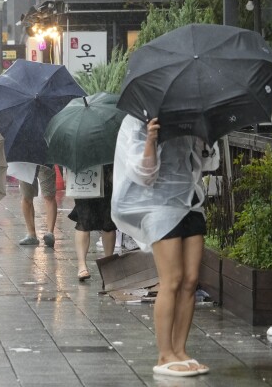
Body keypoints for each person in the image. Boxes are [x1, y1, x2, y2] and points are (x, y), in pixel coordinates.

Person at [111, 115, 218, 377]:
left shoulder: (190, 116)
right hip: (157, 206)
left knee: (191, 280)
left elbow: (207, 163)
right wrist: (151, 139)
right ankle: (164, 354)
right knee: (172, 279)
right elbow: (142, 174)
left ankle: (180, 351)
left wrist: (205, 141)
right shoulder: (137, 121)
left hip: (191, 203)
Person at [68, 164, 116, 281]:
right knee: (84, 220)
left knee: (108, 222)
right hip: (83, 173)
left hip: (107, 175)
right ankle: (82, 265)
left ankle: (108, 264)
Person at [18, 165, 57, 247]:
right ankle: (31, 234)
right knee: (26, 196)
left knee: (49, 196)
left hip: (45, 159)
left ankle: (50, 233)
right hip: (24, 161)